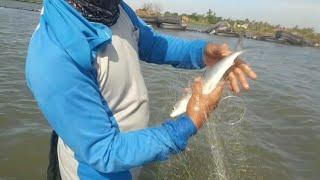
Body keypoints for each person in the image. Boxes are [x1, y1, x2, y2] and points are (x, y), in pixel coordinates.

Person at [25, 0, 257, 179]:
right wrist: (190, 121)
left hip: (135, 155)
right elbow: (103, 152)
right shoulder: (53, 57)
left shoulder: (115, 10)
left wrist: (204, 53)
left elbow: (152, 44)